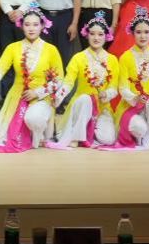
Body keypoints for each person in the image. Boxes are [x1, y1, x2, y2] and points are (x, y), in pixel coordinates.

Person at [0, 5, 64, 152]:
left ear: (42, 26)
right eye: (27, 24)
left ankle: (40, 134)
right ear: (21, 26)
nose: (31, 28)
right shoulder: (13, 48)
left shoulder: (51, 49)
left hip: (42, 97)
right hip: (17, 96)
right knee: (3, 136)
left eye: (35, 24)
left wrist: (38, 92)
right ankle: (27, 136)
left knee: (33, 118)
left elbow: (59, 79)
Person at [49, 12, 119, 149]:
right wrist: (58, 97)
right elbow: (68, 82)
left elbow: (114, 87)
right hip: (81, 104)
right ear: (87, 34)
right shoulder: (78, 57)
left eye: (100, 34)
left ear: (106, 36)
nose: (96, 38)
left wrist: (106, 94)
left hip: (102, 107)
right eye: (92, 34)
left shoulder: (112, 60)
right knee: (86, 99)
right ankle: (77, 136)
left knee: (108, 139)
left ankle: (89, 130)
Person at [112, 9, 149, 149]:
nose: (143, 36)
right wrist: (135, 98)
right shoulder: (125, 57)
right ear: (132, 33)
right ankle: (143, 132)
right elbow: (123, 88)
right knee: (140, 129)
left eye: (146, 32)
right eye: (138, 32)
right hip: (131, 106)